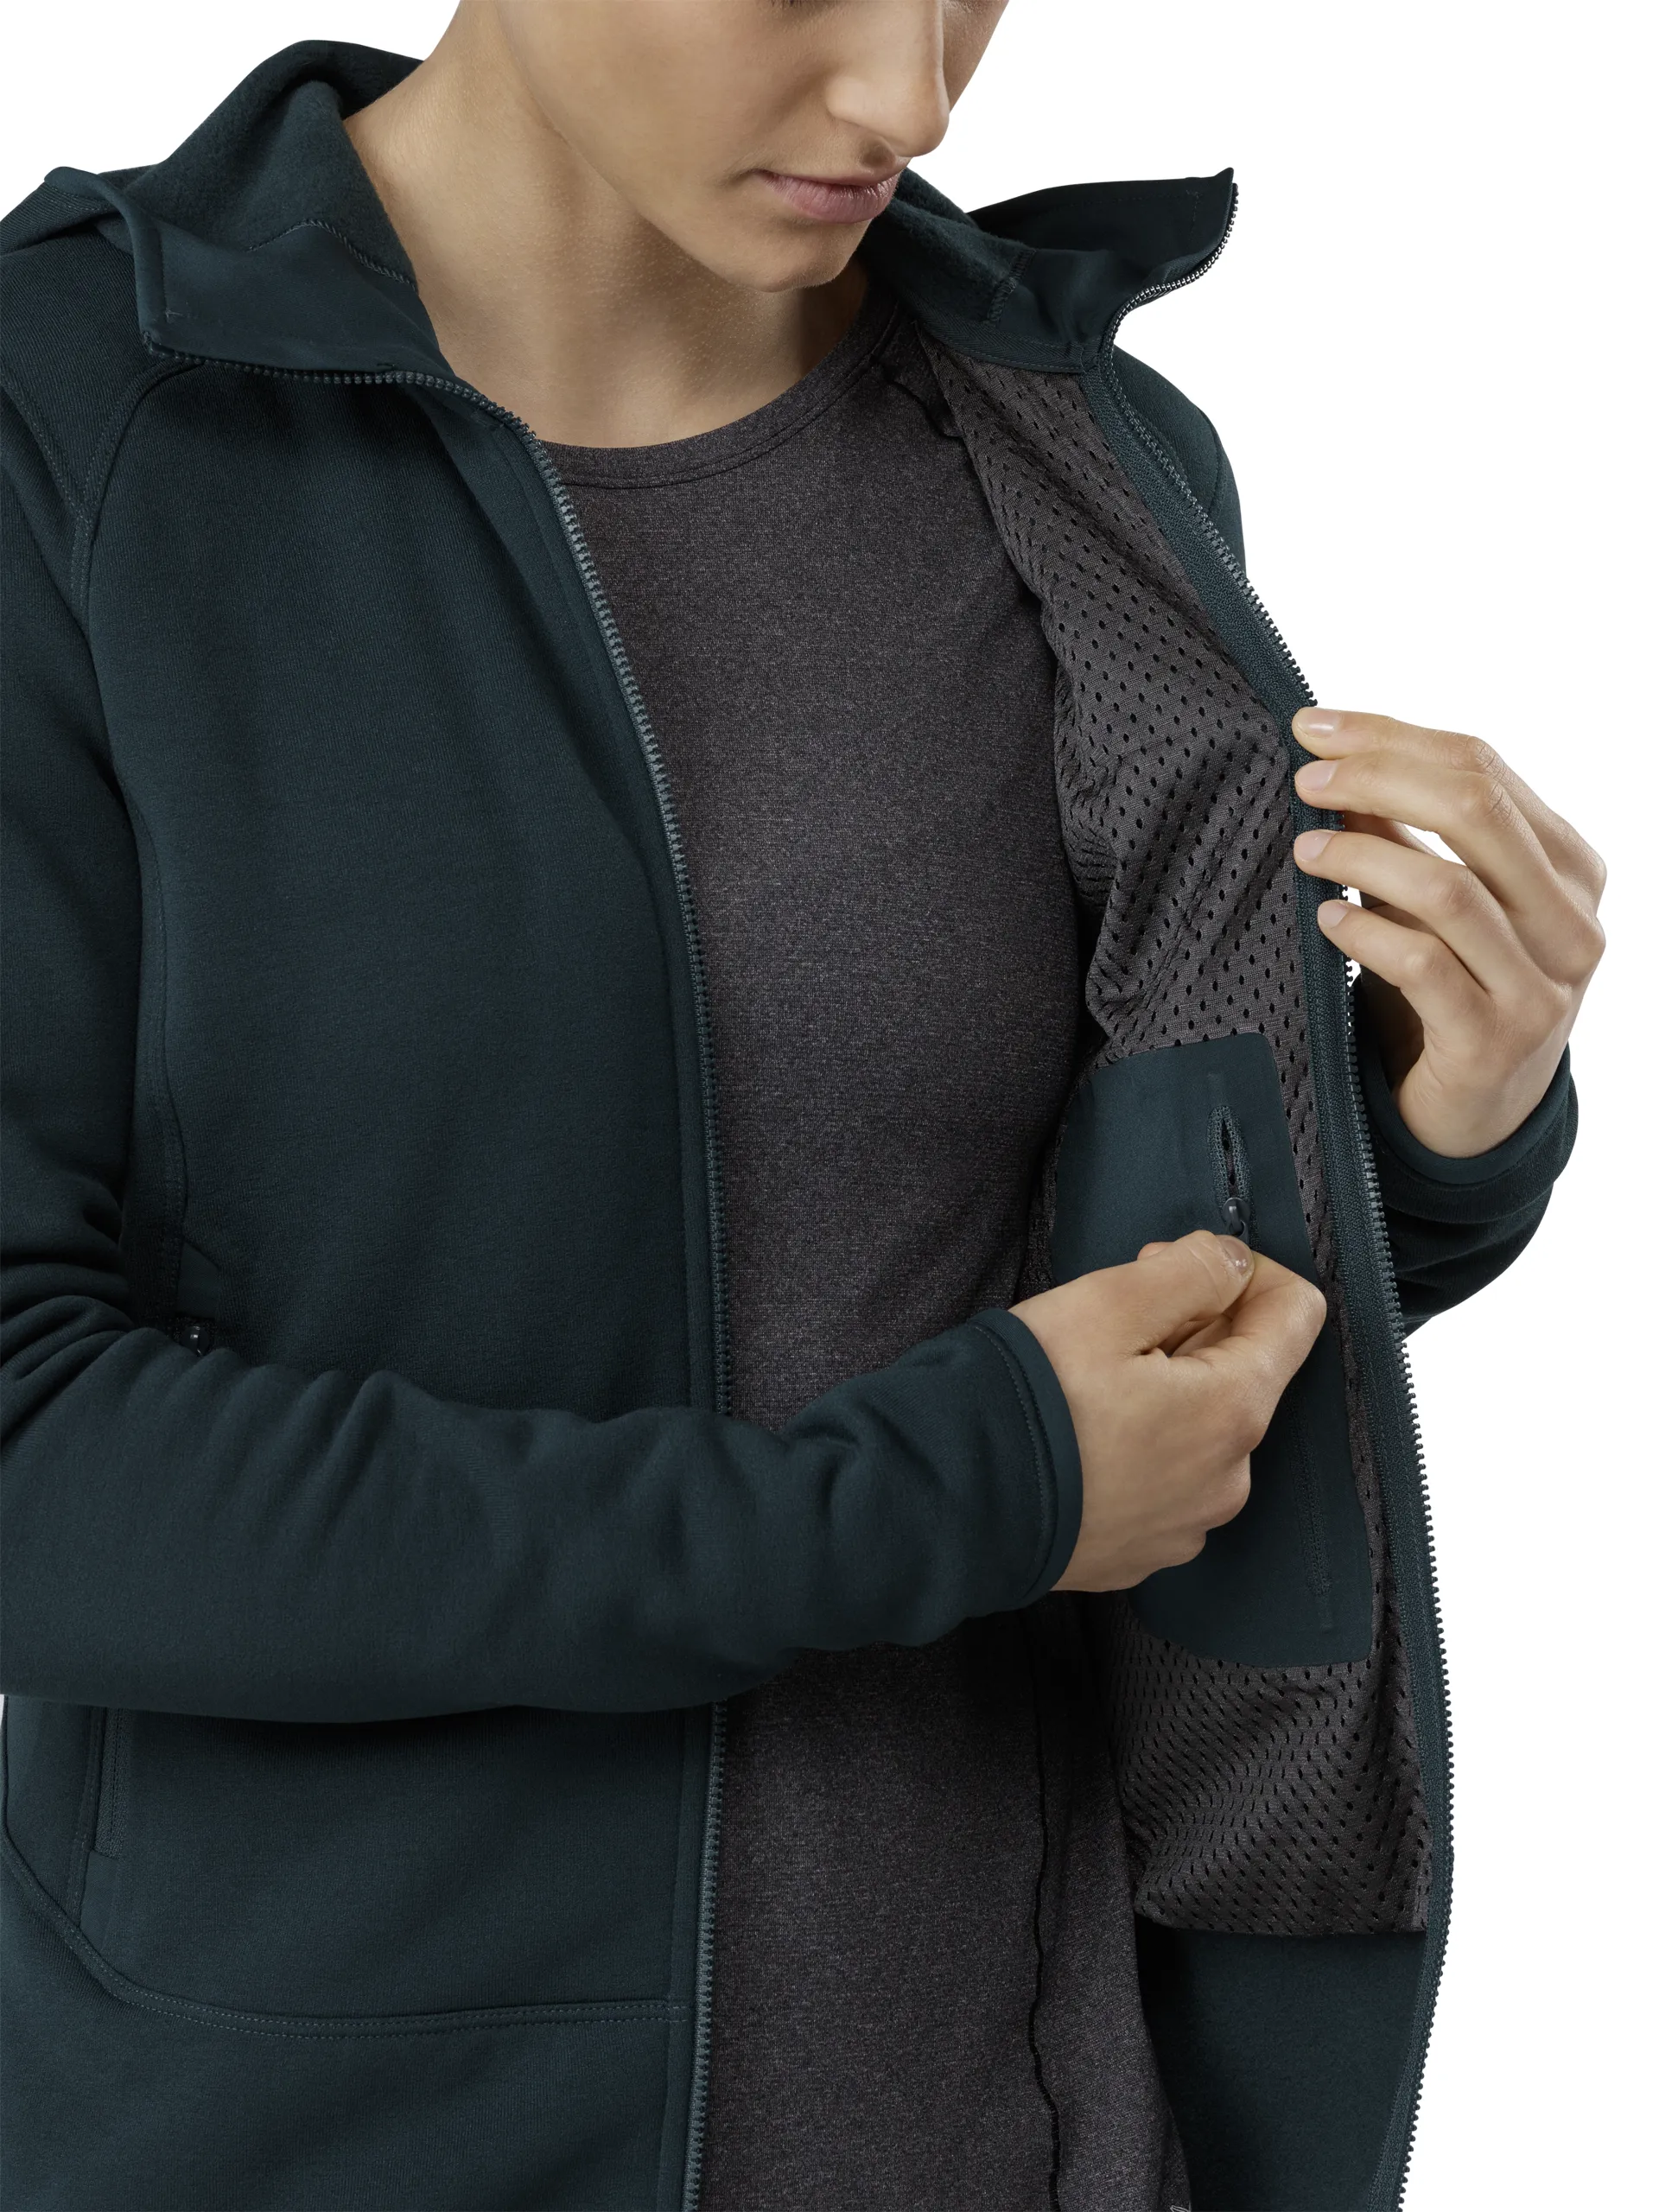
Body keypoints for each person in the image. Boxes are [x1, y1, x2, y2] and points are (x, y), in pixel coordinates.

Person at [0, 6, 1604, 2209]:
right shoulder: (73, 433)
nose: (910, 97)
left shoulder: (1070, 450)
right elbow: (32, 1465)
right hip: (345, 2138)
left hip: (1040, 2117)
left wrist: (1432, 1123)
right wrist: (935, 1495)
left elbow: (1109, 1308)